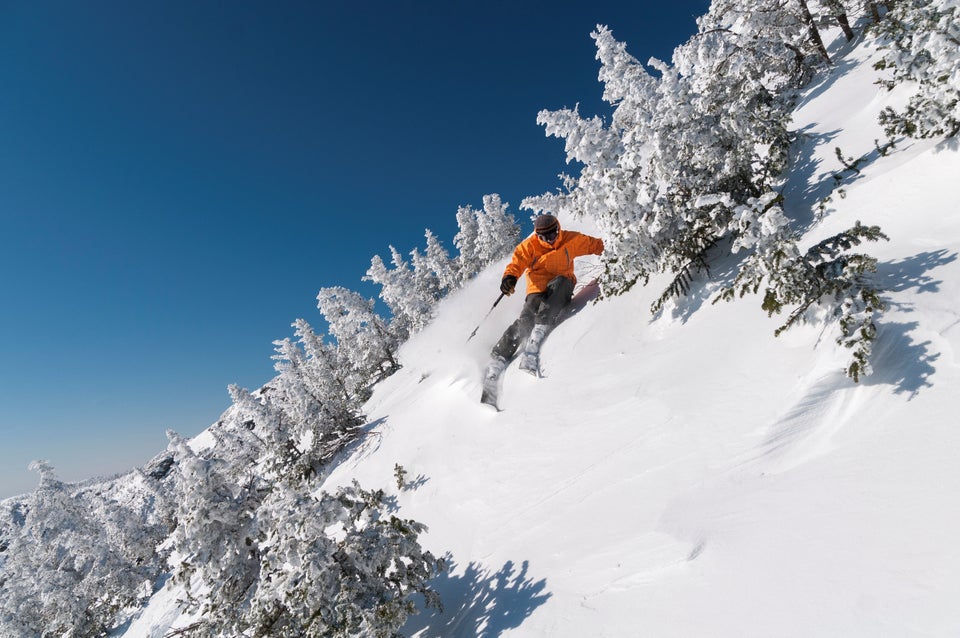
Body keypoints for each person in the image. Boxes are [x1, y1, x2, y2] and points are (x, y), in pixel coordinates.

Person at [488, 214, 604, 375]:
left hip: (563, 284)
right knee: (527, 317)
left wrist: (614, 247)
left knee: (560, 285)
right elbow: (517, 262)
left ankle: (540, 328)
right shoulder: (530, 246)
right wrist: (510, 278)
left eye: (552, 234)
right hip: (537, 287)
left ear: (558, 229)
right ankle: (499, 355)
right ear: (538, 235)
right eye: (544, 237)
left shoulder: (571, 240)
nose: (549, 240)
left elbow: (596, 245)